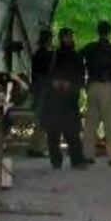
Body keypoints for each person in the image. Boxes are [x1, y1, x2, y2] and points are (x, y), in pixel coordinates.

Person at [42, 27, 87, 169]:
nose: (69, 39)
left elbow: (81, 75)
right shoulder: (54, 55)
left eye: (70, 37)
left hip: (70, 98)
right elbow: (46, 74)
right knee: (53, 131)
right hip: (54, 98)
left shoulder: (76, 56)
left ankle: (77, 160)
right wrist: (53, 83)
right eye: (66, 37)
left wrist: (71, 84)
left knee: (72, 130)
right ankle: (56, 160)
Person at [81, 20, 111, 165]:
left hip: (92, 84)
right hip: (109, 86)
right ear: (109, 32)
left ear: (98, 32)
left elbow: (78, 60)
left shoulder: (89, 48)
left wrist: (83, 81)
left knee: (91, 121)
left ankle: (87, 154)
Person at [29, 29, 53, 158]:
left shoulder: (36, 54)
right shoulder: (47, 56)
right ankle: (37, 148)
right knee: (42, 120)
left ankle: (35, 146)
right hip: (45, 89)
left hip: (38, 88)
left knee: (40, 120)